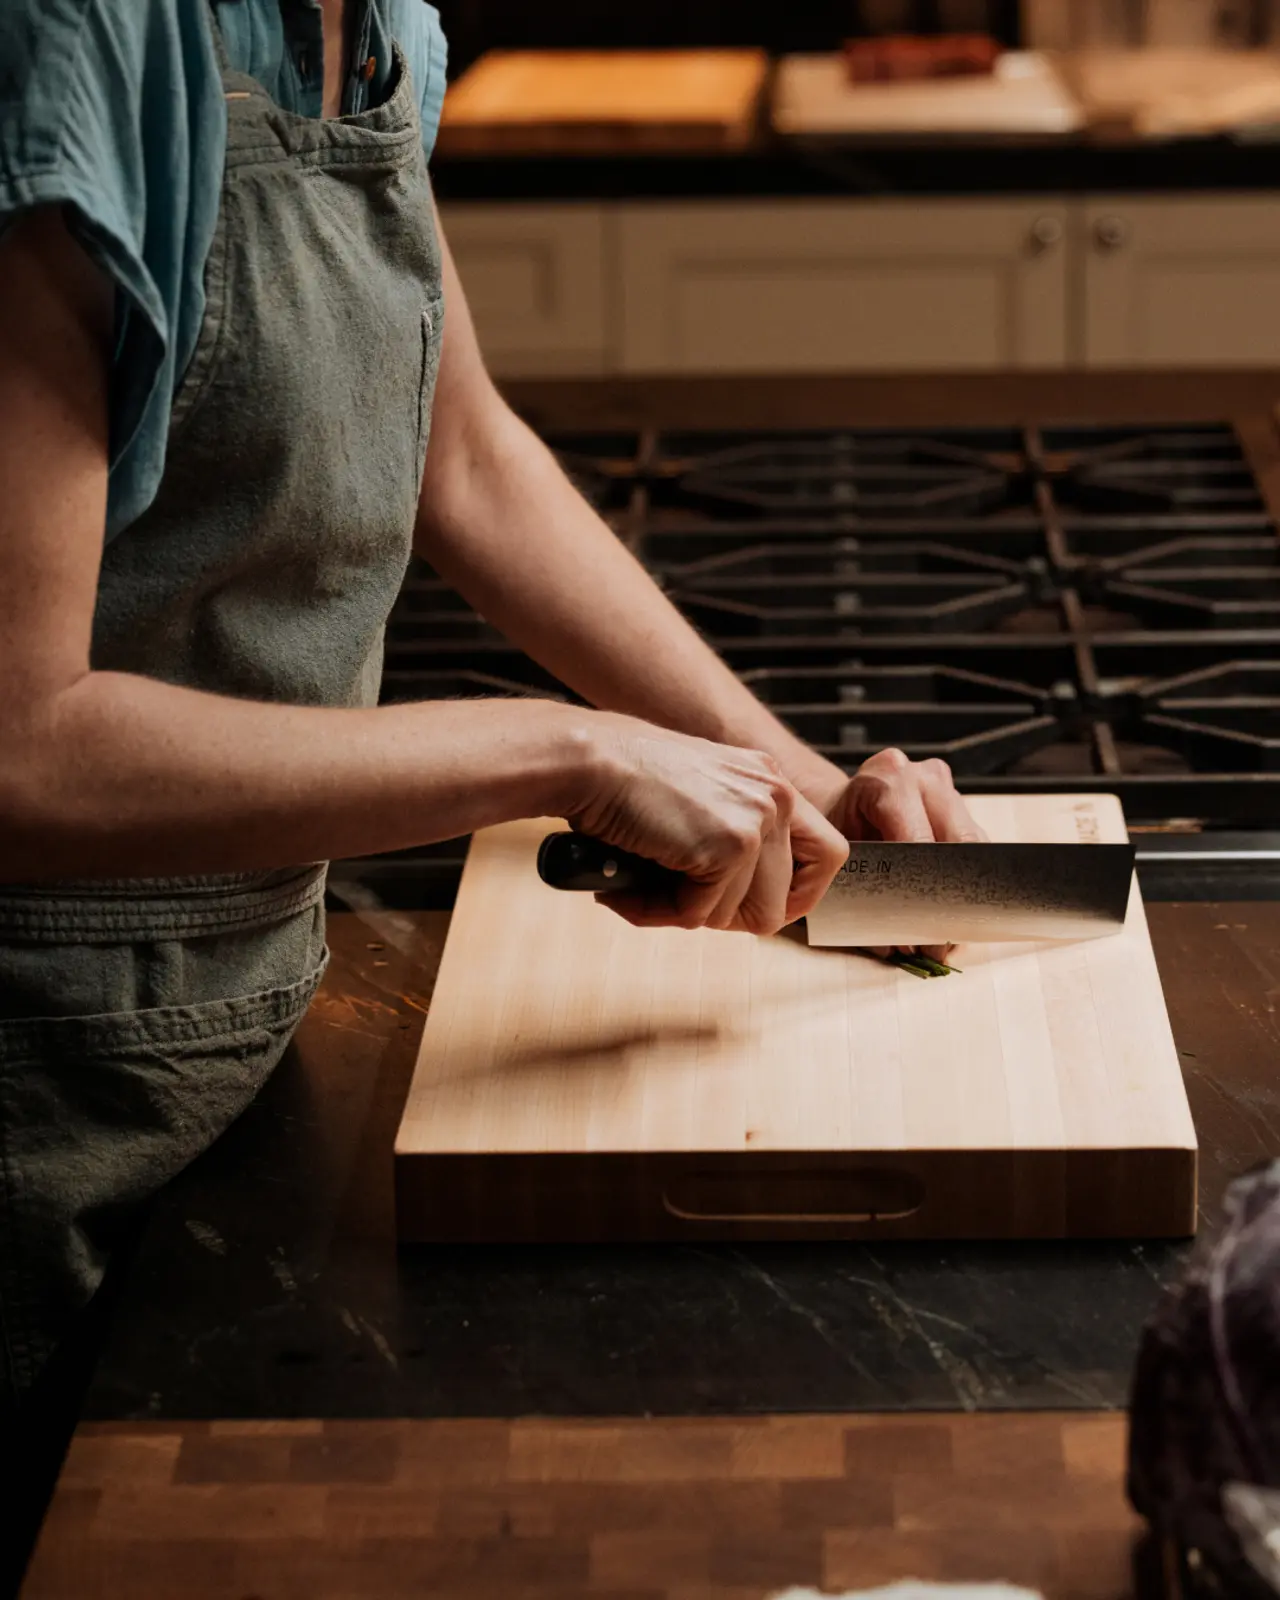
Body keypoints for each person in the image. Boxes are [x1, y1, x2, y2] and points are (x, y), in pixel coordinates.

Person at [0, 0, 984, 1416]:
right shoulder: (75, 36)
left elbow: (460, 456)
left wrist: (803, 792)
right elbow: (22, 749)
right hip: (48, 1096)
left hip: (245, 1031)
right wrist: (560, 751)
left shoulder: (372, 19)